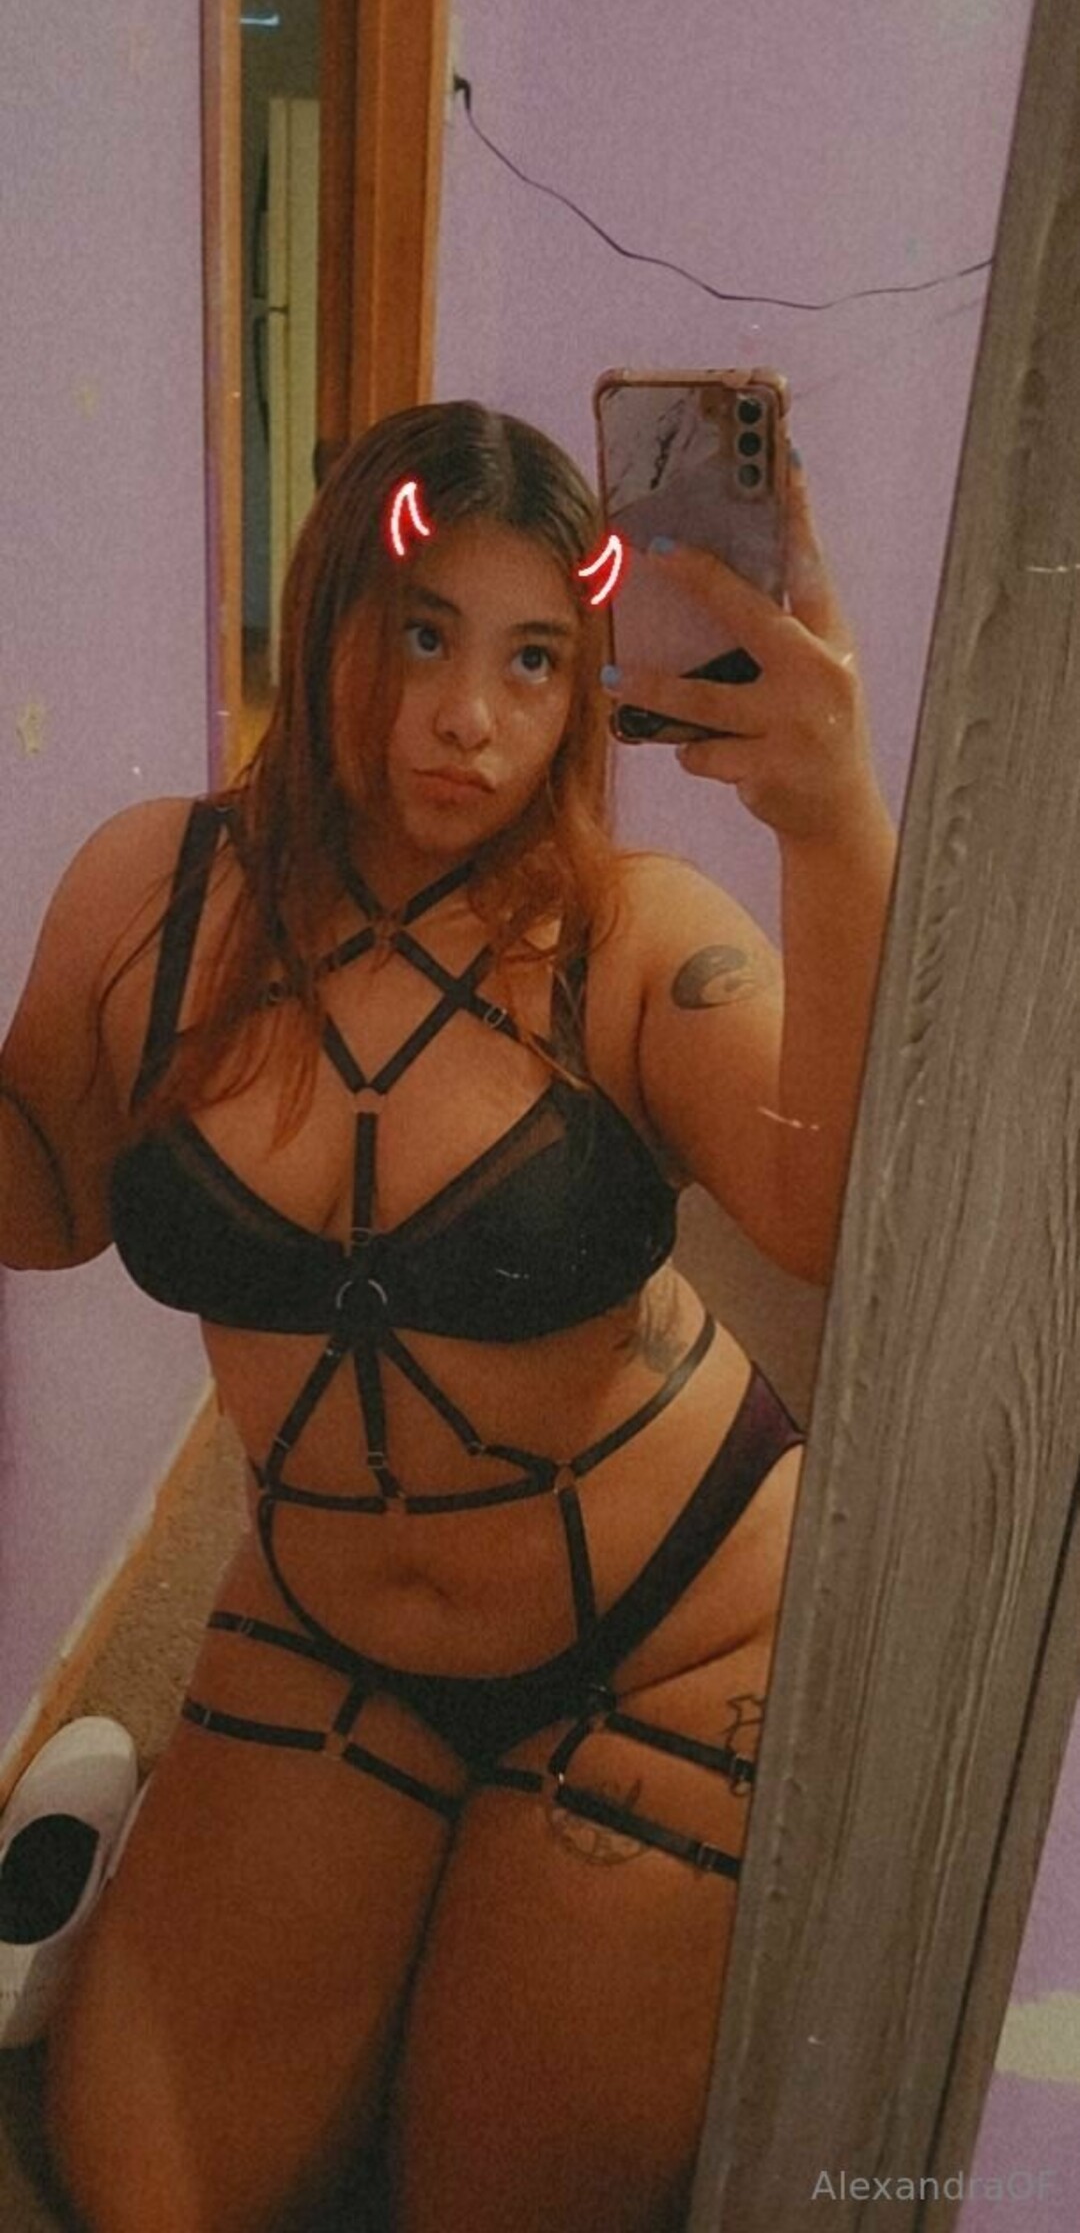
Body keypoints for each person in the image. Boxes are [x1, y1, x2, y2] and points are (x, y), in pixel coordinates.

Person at [0, 399, 896, 2232]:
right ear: (330, 605)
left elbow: (830, 1223)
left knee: (488, 2201)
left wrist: (829, 821)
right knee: (133, 2187)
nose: (468, 716)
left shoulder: (633, 936)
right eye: (420, 633)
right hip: (325, 1616)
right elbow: (45, 1205)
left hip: (671, 1636)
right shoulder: (148, 898)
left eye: (535, 657)